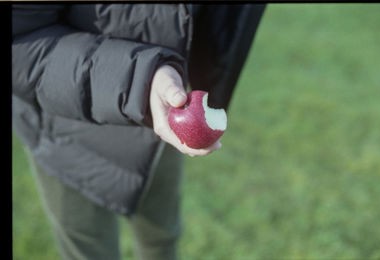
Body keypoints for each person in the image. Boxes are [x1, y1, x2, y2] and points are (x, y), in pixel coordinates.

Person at [12, 4, 265, 260]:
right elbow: (20, 40)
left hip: (164, 120)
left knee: (161, 239)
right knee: (90, 249)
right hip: (65, 133)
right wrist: (140, 79)